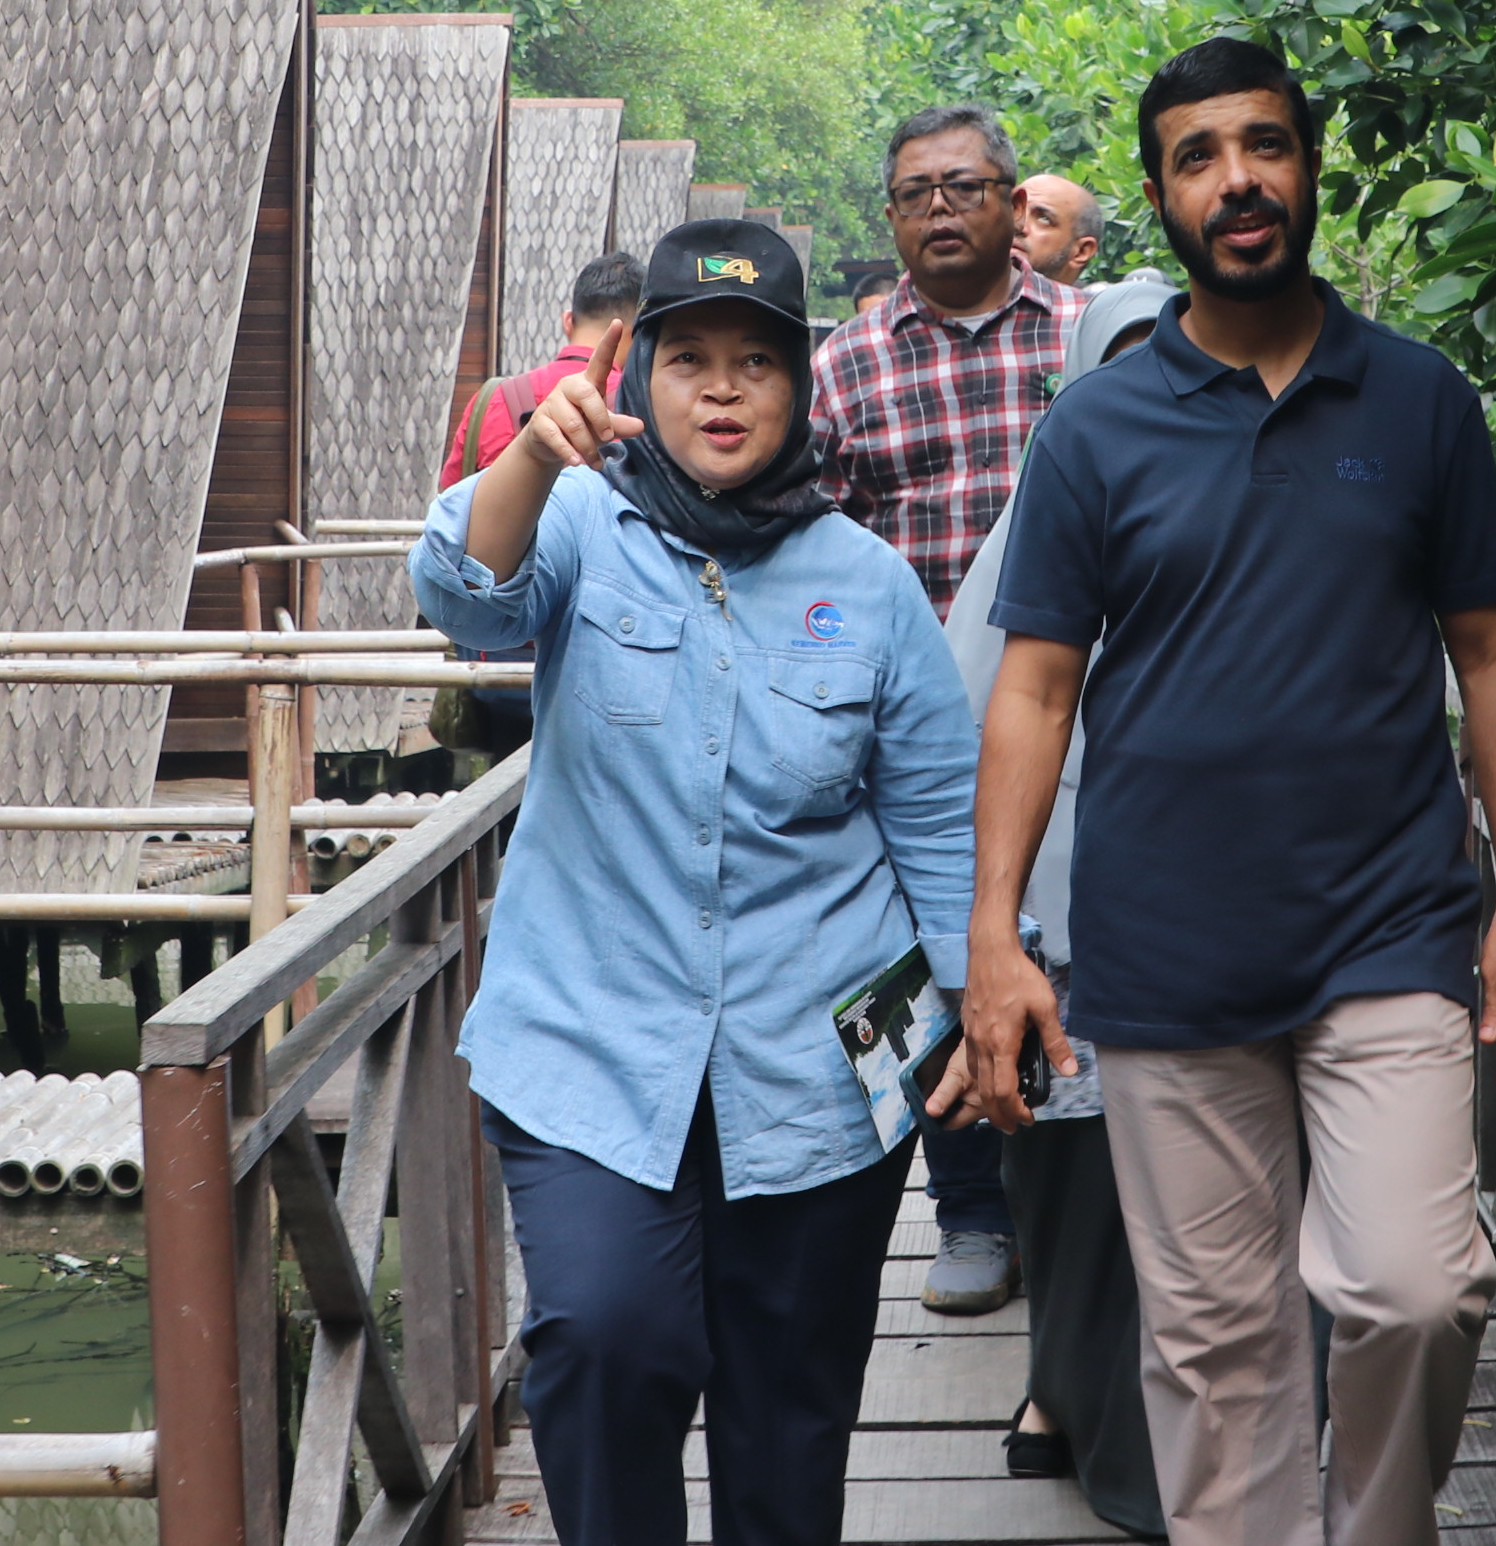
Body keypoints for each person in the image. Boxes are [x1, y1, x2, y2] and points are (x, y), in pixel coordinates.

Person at [945, 37, 1496, 1546]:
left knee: (1417, 1291)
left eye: (1265, 146)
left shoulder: (1418, 403)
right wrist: (997, 937)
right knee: (1216, 1351)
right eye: (1201, 156)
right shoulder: (1093, 429)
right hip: (1167, 948)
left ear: (1308, 164)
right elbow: (1034, 687)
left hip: (1392, 930)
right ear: (1159, 195)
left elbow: (1490, 650)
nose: (1239, 181)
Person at [413, 219, 976, 1546]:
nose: (723, 390)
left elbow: (939, 820)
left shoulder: (873, 587)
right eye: (692, 361)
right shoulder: (583, 526)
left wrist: (966, 1002)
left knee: (791, 1407)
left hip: (822, 1058)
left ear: (801, 389)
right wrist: (528, 460)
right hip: (593, 1039)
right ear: (641, 378)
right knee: (607, 1338)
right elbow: (467, 597)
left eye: (757, 364)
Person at [811, 102, 1089, 1315]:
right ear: (890, 215)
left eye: (964, 187)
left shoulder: (1090, 335)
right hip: (913, 732)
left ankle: (1081, 1202)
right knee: (931, 958)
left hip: (1085, 714)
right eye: (915, 191)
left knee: (1086, 952)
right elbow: (794, 531)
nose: (938, 208)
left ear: (1014, 204)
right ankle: (972, 1209)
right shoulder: (850, 363)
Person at [940, 273, 1178, 1535]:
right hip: (1065, 914)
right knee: (1077, 1192)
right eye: (1126, 357)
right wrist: (992, 933)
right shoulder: (1053, 491)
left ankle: (1127, 1435)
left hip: (1211, 923)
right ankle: (1079, 1411)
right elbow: (984, 702)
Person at [427, 252, 650, 755]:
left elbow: (452, 521)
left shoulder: (495, 399)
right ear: (636, 334)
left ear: (568, 320)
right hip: (606, 667)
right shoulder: (643, 406)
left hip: (498, 659)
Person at [1013, 174, 1104, 286]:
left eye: (1044, 219)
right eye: (1012, 209)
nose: (1016, 224)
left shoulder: (1099, 303)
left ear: (1081, 251)